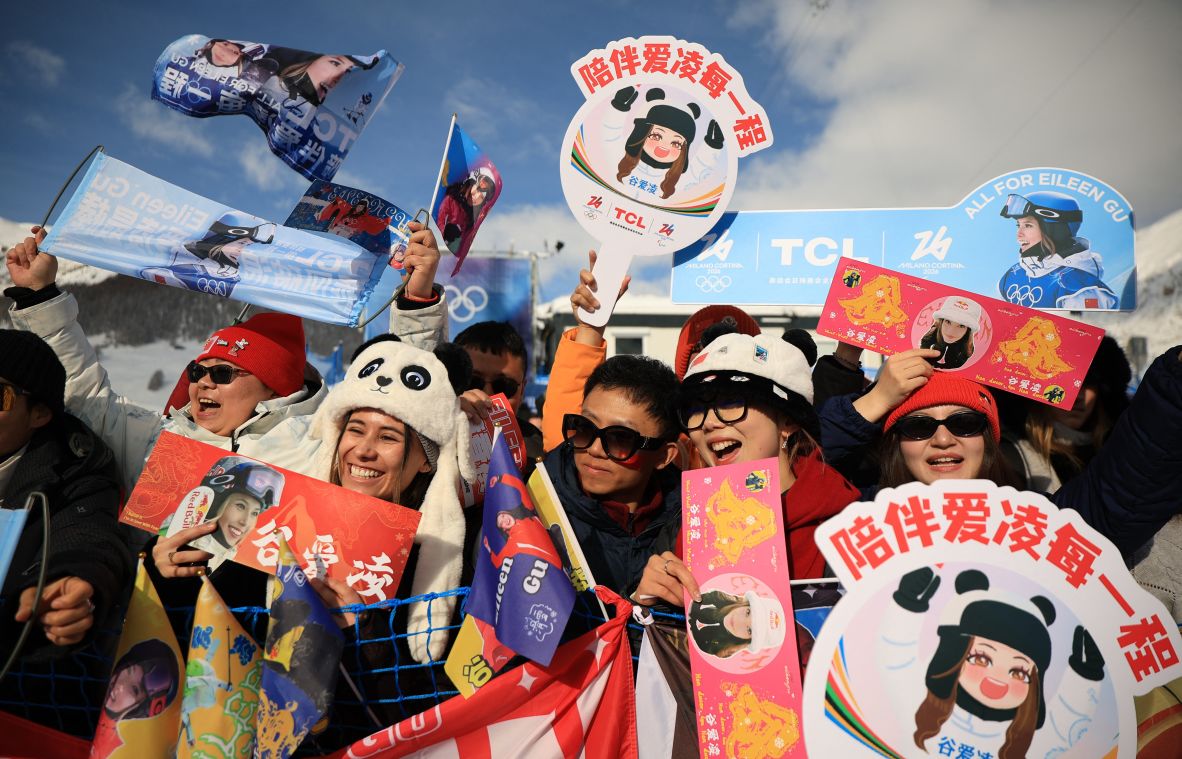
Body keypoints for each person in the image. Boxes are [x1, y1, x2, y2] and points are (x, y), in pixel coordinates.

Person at [819, 345, 1182, 558]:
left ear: (989, 439)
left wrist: (1173, 384)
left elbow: (1121, 494)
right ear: (896, 442)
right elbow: (793, 477)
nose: (943, 439)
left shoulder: (1030, 523)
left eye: (964, 423)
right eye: (918, 426)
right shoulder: (855, 519)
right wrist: (872, 403)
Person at [635, 331, 862, 607]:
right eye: (695, 409)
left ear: (788, 421)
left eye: (731, 403)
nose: (709, 423)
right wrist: (645, 603)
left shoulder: (848, 528)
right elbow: (651, 632)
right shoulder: (686, 523)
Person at [306, 333, 475, 667]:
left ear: (426, 461)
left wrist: (365, 629)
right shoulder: (288, 517)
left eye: (388, 437)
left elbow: (431, 685)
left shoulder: (447, 556)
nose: (364, 451)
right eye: (355, 430)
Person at [0, 330, 130, 661]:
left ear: (39, 414)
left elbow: (86, 534)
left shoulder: (74, 474)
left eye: (0, 395)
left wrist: (65, 579)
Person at [880, 567, 1103, 759]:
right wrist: (907, 606)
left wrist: (1086, 675)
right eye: (981, 659)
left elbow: (1064, 729)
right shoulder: (923, 702)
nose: (998, 678)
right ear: (954, 654)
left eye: (1019, 673)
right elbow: (897, 664)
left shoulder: (1022, 734)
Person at [997, 191, 1118, 309]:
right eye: (1018, 225)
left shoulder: (1078, 289)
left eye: (1028, 225)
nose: (1019, 235)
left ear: (1054, 230)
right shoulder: (1012, 277)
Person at [453, 320, 544, 469]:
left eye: (504, 386)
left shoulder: (543, 455)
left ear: (522, 390)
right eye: (472, 382)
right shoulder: (426, 439)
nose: (486, 396)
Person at [607, 86, 723, 201]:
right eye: (656, 136)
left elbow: (697, 172)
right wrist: (618, 108)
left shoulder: (675, 176)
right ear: (641, 133)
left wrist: (712, 146)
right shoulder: (623, 155)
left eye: (676, 143)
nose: (664, 146)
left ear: (684, 149)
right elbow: (610, 137)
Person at [688, 589, 786, 660]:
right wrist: (692, 613)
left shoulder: (724, 647)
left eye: (749, 630)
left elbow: (705, 647)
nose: (739, 622)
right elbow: (710, 597)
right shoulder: (722, 599)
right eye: (748, 612)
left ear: (747, 640)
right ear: (745, 605)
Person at [435, 167, 498, 256]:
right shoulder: (452, 200)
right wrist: (446, 233)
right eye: (478, 189)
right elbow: (440, 221)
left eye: (482, 197)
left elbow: (465, 242)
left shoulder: (471, 219)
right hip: (440, 245)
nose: (476, 197)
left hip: (452, 252)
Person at [918, 297, 982, 370]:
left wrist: (942, 367)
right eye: (948, 322)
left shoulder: (967, 349)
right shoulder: (930, 336)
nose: (950, 332)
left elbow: (957, 364)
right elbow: (924, 346)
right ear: (941, 322)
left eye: (961, 326)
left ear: (968, 331)